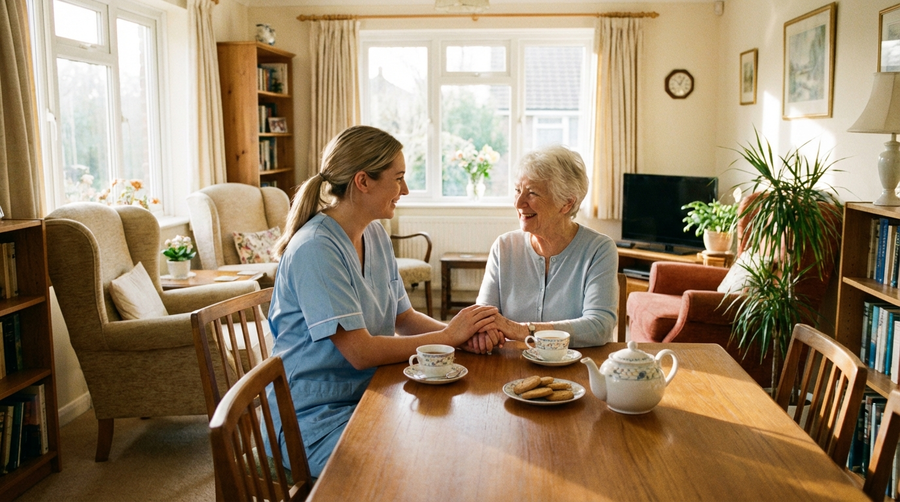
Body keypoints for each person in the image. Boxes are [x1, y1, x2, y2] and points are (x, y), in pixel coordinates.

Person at [266, 125, 499, 477]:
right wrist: (450, 336)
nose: (405, 190)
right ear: (363, 181)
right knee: (415, 469)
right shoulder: (316, 248)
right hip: (314, 418)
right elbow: (360, 352)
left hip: (369, 397)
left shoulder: (373, 232)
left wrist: (464, 337)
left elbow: (404, 318)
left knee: (452, 441)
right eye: (399, 178)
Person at [470, 145, 618, 350]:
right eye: (517, 190)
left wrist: (523, 331)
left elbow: (599, 326)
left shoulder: (598, 249)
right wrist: (483, 332)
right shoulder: (504, 247)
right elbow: (484, 317)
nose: (519, 203)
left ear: (566, 203)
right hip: (512, 366)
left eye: (532, 193)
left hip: (577, 367)